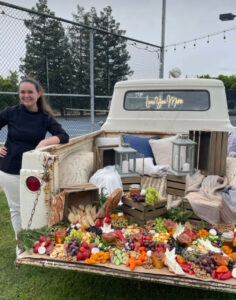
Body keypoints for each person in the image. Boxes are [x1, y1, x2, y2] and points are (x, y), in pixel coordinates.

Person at [0, 78, 69, 246]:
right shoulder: (11, 112)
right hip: (9, 170)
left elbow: (63, 136)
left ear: (38, 94)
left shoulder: (45, 117)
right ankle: (21, 246)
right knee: (16, 209)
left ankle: (37, 242)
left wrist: (44, 142)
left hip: (33, 170)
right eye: (22, 92)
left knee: (35, 207)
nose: (26, 95)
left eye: (30, 92)